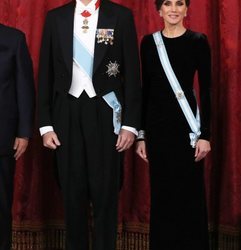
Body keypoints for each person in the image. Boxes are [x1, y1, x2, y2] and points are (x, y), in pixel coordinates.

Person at [38, 0, 141, 249]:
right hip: (66, 112)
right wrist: (45, 125)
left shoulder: (121, 16)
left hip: (105, 111)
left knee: (105, 191)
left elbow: (133, 74)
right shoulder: (56, 17)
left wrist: (129, 124)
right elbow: (45, 73)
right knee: (72, 193)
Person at [136, 0, 211, 249]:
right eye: (167, 3)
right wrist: (141, 135)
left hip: (188, 131)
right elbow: (144, 91)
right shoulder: (148, 43)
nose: (174, 8)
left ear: (187, 9)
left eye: (180, 3)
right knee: (163, 197)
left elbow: (208, 90)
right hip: (157, 131)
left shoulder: (198, 41)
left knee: (189, 197)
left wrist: (206, 135)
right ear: (159, 10)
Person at [0, 24, 35, 250]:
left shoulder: (13, 38)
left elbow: (24, 86)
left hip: (2, 138)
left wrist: (24, 131)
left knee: (1, 205)